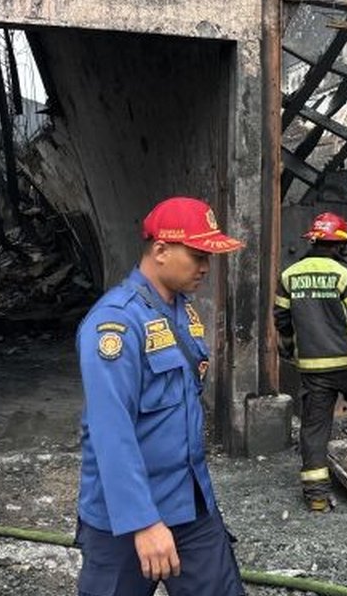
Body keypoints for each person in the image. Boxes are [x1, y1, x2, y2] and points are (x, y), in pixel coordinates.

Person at [75, 196, 246, 596]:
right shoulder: (114, 325)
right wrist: (143, 523)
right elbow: (110, 432)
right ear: (161, 250)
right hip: (123, 519)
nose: (206, 267)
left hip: (190, 503)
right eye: (198, 255)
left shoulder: (183, 313)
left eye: (209, 256)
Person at [274, 211, 347, 513]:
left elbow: (282, 320)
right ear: (340, 245)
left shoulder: (289, 275)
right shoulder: (346, 275)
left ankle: (316, 496)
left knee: (314, 428)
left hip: (313, 368)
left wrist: (288, 350)